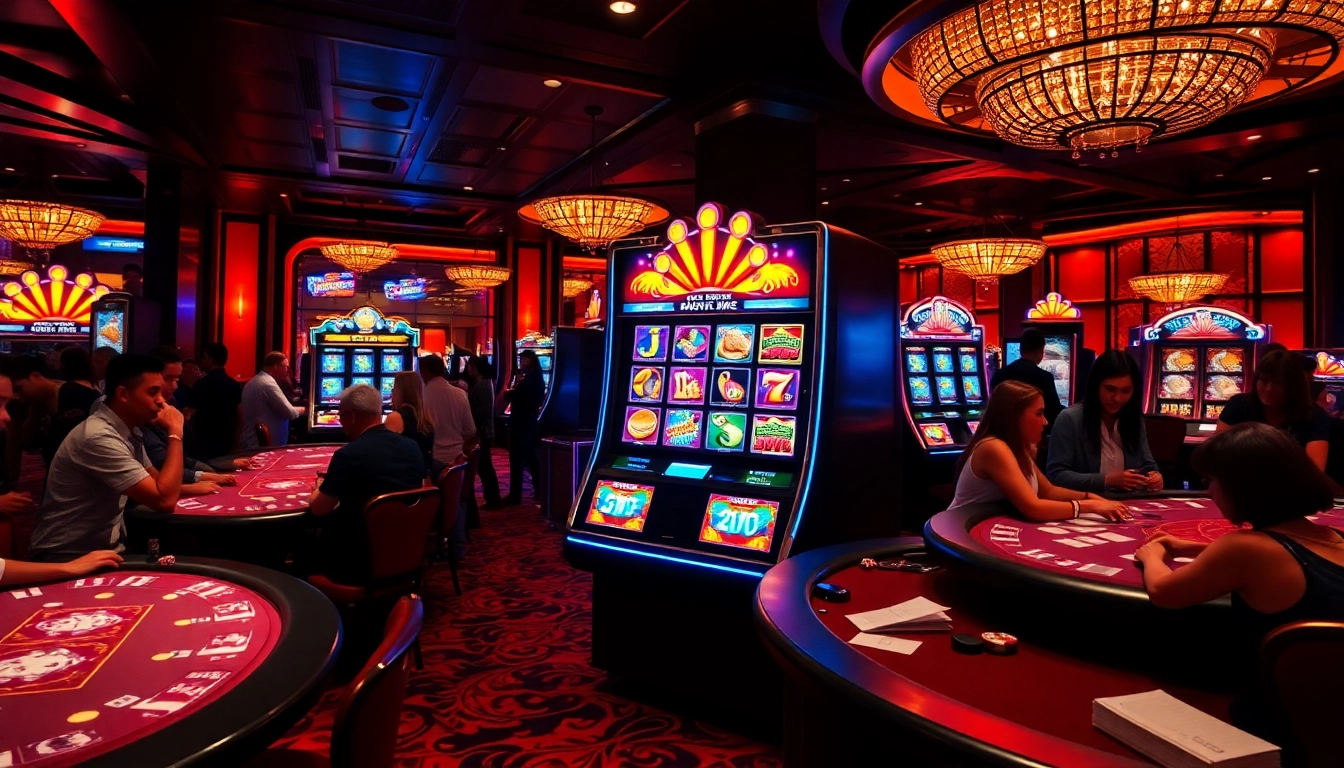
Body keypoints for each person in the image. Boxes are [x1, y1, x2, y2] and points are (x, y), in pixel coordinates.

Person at [1134, 423, 1344, 740]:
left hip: (1278, 729)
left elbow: (1164, 592)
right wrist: (1190, 546)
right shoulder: (1333, 536)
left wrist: (1152, 555)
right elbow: (1281, 552)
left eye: (1213, 480)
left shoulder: (1244, 550)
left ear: (1244, 485)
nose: (1209, 492)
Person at [28, 354, 186, 562]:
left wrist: (203, 484)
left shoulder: (129, 430)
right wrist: (175, 433)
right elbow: (164, 500)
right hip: (65, 555)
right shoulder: (98, 436)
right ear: (123, 394)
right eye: (152, 392)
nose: (161, 401)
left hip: (103, 551)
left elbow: (158, 483)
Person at [0, 374, 122, 585]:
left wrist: (70, 567)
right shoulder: (94, 434)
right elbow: (161, 497)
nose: (6, 416)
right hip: (60, 547)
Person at [947, 380, 1131, 520]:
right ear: (1014, 417)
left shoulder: (1016, 447)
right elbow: (1033, 508)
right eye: (1038, 413)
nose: (1045, 421)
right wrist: (1090, 507)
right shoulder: (994, 447)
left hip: (983, 527)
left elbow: (1048, 491)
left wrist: (1091, 497)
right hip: (961, 533)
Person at [307, 384, 426, 583]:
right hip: (406, 550)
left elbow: (319, 508)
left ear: (350, 417)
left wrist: (319, 486)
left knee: (305, 547)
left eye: (341, 416)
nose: (341, 422)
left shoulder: (348, 455)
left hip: (359, 562)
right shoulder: (412, 447)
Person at [1047, 350, 1163, 493]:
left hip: (1128, 501)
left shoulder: (1134, 419)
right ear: (1096, 385)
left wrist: (1155, 478)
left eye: (1126, 391)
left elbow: (1149, 466)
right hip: (1085, 501)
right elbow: (1056, 475)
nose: (1117, 398)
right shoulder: (1070, 419)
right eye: (1110, 389)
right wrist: (1107, 480)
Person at [146, 345, 241, 492]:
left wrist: (220, 467)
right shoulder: (140, 419)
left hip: (212, 449)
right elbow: (161, 486)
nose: (175, 386)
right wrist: (175, 432)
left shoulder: (171, 404)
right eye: (168, 378)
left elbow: (184, 458)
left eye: (177, 378)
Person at [1217, 349, 1330, 471]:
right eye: (1264, 380)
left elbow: (1314, 473)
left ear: (1294, 386)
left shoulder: (1313, 416)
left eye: (1278, 383)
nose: (1269, 389)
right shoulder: (1239, 404)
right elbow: (1216, 454)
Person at [991, 329, 1064, 427]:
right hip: (1035, 431)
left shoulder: (999, 374)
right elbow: (1053, 411)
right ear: (1041, 350)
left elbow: (994, 409)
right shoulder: (1045, 377)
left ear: (1020, 349)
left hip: (1004, 430)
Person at [45, 347, 103, 467]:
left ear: (66, 365)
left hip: (64, 444)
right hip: (89, 443)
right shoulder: (96, 388)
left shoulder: (62, 389)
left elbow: (55, 420)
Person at [420, 354, 475, 476]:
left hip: (431, 462)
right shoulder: (460, 394)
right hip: (458, 461)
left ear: (426, 371)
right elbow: (470, 430)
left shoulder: (420, 396)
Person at [503, 349, 545, 506]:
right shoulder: (534, 377)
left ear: (530, 360)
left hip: (522, 423)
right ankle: (539, 489)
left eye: (523, 360)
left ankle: (515, 495)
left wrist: (510, 391)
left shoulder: (530, 379)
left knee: (517, 459)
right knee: (530, 457)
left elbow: (511, 395)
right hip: (529, 422)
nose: (521, 363)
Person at [187, 342, 243, 459]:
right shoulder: (233, 385)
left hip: (203, 441)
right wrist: (237, 440)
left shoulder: (200, 385)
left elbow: (190, 414)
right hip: (227, 439)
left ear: (210, 359)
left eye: (204, 357)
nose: (202, 360)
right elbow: (240, 415)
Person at [241, 351, 305, 449]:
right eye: (286, 367)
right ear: (276, 367)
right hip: (263, 445)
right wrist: (305, 409)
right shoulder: (268, 383)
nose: (287, 371)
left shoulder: (255, 380)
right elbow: (290, 412)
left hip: (254, 441)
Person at [465, 356, 502, 510]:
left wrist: (474, 432)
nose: (468, 370)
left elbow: (481, 412)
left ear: (475, 367)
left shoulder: (482, 385)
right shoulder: (486, 382)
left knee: (484, 466)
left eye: (469, 366)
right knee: (485, 466)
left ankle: (493, 499)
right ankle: (493, 498)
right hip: (485, 431)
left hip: (482, 432)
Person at [384, 371, 433, 470]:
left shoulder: (396, 417)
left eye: (393, 389)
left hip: (401, 474)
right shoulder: (426, 417)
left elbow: (385, 453)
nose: (391, 394)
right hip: (421, 473)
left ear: (400, 392)